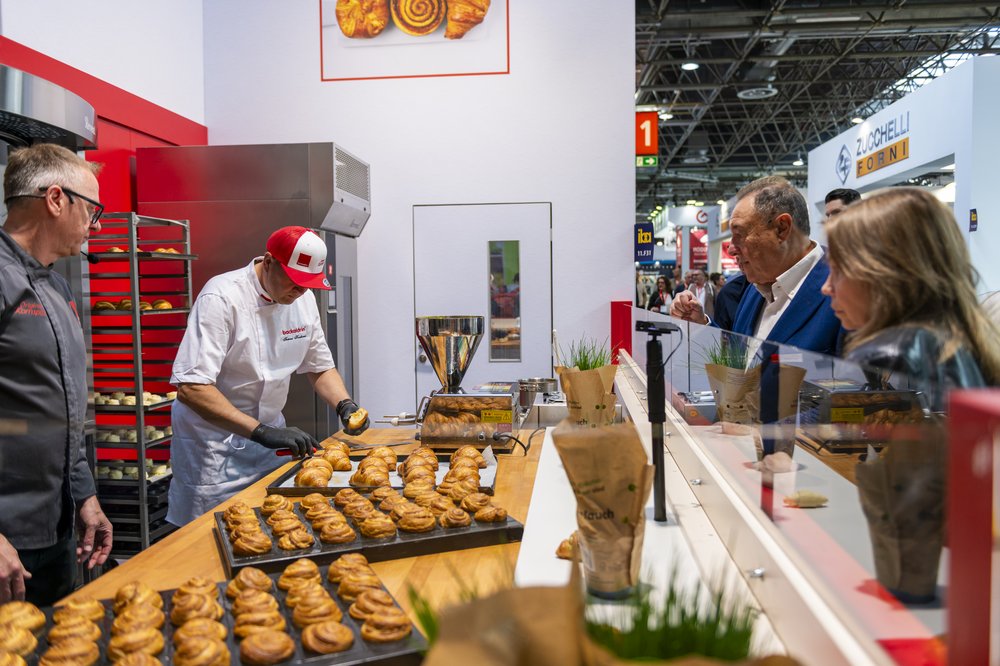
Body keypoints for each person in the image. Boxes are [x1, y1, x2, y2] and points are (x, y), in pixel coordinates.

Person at [168, 226, 370, 526]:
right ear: (269, 261)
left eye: (307, 285)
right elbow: (192, 387)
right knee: (210, 535)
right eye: (294, 282)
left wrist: (344, 404)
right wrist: (260, 431)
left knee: (274, 526)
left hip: (271, 445)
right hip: (215, 451)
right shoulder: (221, 297)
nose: (301, 292)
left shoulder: (301, 299)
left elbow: (319, 366)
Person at [0, 143, 113, 603]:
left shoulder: (57, 285)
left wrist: (84, 496)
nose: (96, 225)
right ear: (55, 199)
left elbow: (64, 411)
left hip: (59, 528)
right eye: (92, 209)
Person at [823, 187, 999, 409]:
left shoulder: (890, 354)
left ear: (886, 273)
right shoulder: (968, 339)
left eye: (839, 269)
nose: (826, 287)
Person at [671, 176, 841, 357]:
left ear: (782, 228)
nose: (731, 249)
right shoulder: (756, 288)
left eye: (740, 234)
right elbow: (738, 360)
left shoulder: (845, 288)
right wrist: (700, 326)